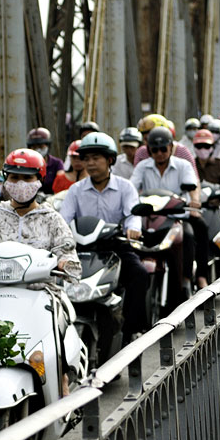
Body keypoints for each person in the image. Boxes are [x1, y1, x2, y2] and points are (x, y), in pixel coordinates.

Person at [58, 133, 149, 340]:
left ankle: (131, 331)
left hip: (116, 247)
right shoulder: (75, 190)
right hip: (82, 250)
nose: (90, 163)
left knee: (139, 274)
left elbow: (132, 215)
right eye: (86, 158)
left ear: (109, 160)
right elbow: (63, 220)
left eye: (96, 158)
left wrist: (133, 229)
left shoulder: (125, 187)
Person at [0, 149, 78, 270]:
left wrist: (65, 263)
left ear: (40, 180)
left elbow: (69, 256)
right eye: (14, 177)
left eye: (27, 178)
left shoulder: (53, 220)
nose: (21, 183)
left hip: (40, 287)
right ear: (6, 179)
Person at [131, 128, 209, 298]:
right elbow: (132, 189)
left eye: (163, 149)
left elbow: (192, 187)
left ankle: (194, 278)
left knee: (195, 230)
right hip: (150, 217)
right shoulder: (142, 167)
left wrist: (194, 202)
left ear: (171, 147)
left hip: (177, 215)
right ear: (149, 150)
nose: (159, 153)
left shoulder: (183, 165)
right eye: (154, 150)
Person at [27, 127, 65, 193]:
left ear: (48, 146)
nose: (38, 149)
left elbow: (60, 181)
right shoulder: (25, 163)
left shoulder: (57, 163)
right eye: (34, 147)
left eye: (41, 146)